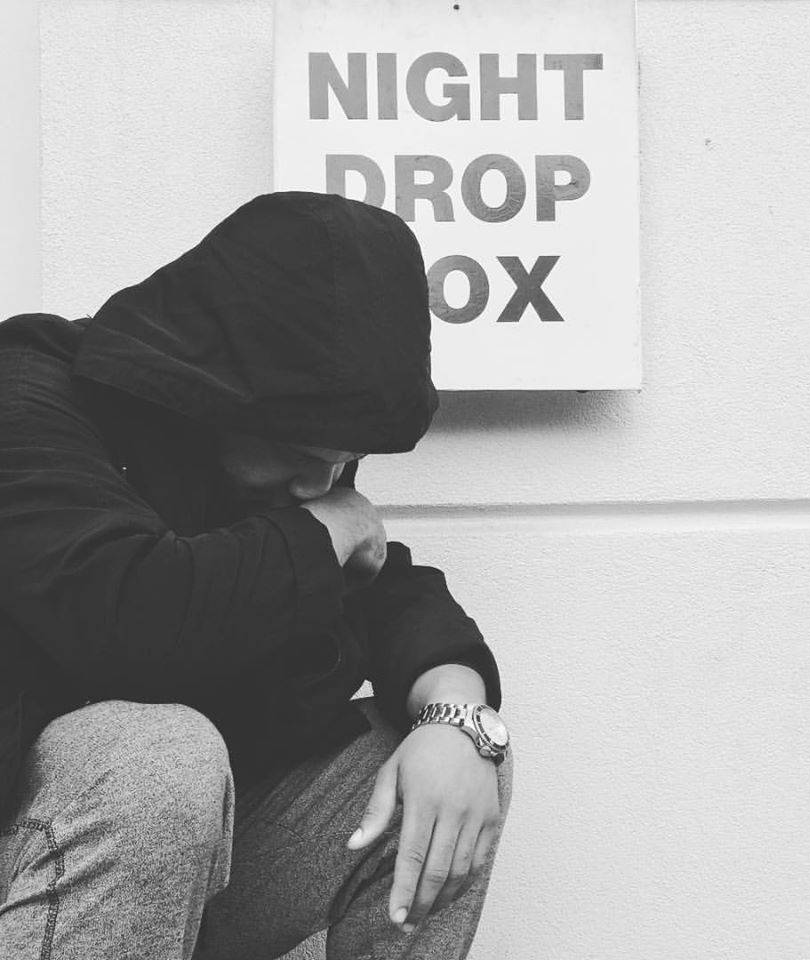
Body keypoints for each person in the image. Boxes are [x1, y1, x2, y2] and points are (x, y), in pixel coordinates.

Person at [0, 192, 512, 960]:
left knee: (452, 769)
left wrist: (459, 717)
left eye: (344, 460)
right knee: (161, 754)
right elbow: (130, 617)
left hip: (186, 849)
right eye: (305, 454)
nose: (324, 484)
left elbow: (380, 589)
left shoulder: (271, 477)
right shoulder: (29, 396)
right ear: (212, 395)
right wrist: (327, 530)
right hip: (27, 841)